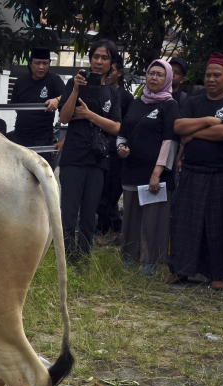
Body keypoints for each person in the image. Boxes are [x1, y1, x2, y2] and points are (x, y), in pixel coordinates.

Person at [168, 53, 223, 291]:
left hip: (219, 172)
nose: (211, 79)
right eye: (208, 75)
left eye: (217, 75)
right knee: (185, 223)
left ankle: (217, 274)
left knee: (217, 224)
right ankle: (181, 270)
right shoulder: (193, 101)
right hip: (192, 169)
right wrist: (209, 121)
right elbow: (178, 127)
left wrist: (193, 133)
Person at [57, 39, 123, 267]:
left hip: (98, 161)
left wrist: (88, 115)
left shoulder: (113, 93)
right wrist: (76, 89)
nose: (99, 61)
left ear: (111, 63)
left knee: (88, 215)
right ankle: (66, 258)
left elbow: (115, 127)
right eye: (96, 56)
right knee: (68, 213)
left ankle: (83, 259)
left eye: (105, 58)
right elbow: (64, 118)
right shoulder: (74, 84)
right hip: (73, 157)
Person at [117, 60, 180, 276]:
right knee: (131, 217)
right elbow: (122, 132)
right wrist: (121, 148)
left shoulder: (169, 105)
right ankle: (129, 257)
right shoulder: (136, 103)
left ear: (168, 79)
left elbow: (169, 140)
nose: (154, 78)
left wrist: (157, 172)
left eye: (160, 74)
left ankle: (149, 262)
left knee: (152, 219)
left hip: (155, 174)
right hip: (132, 169)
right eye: (151, 73)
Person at [96, 53, 133, 239]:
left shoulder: (126, 97)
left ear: (119, 72)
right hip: (96, 148)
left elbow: (127, 126)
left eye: (113, 70)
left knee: (111, 192)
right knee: (97, 192)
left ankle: (114, 226)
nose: (109, 73)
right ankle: (105, 227)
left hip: (116, 150)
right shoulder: (97, 91)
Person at [9, 46, 63, 165]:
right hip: (20, 137)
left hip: (43, 139)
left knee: (41, 176)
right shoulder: (20, 82)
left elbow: (69, 97)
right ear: (30, 63)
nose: (41, 67)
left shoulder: (54, 80)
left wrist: (58, 99)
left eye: (45, 63)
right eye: (37, 63)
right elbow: (16, 107)